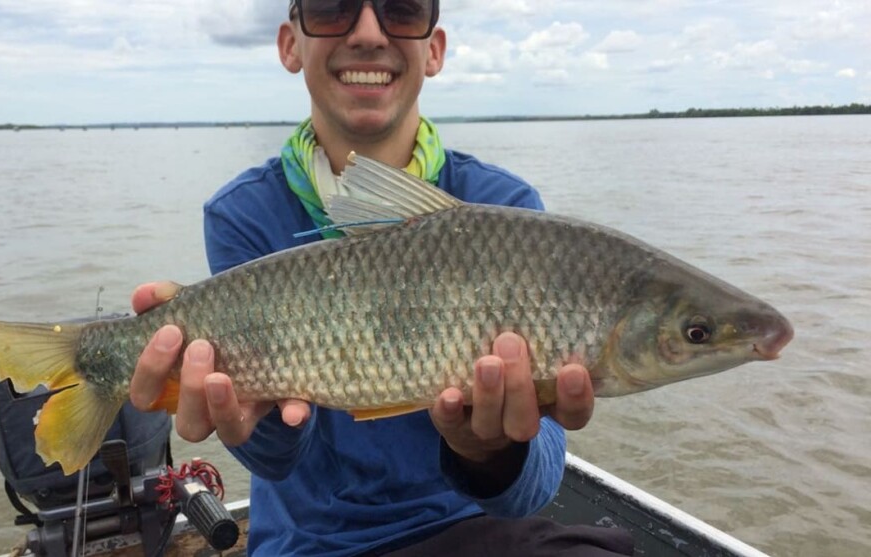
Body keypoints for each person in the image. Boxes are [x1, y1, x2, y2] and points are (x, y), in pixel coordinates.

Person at [129, 1, 633, 555]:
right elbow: (277, 460)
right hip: (313, 542)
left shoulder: (506, 206)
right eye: (331, 7)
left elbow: (531, 492)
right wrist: (251, 411)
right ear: (290, 45)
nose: (368, 32)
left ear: (434, 49)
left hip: (470, 528)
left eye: (402, 8)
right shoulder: (243, 212)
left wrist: (489, 451)